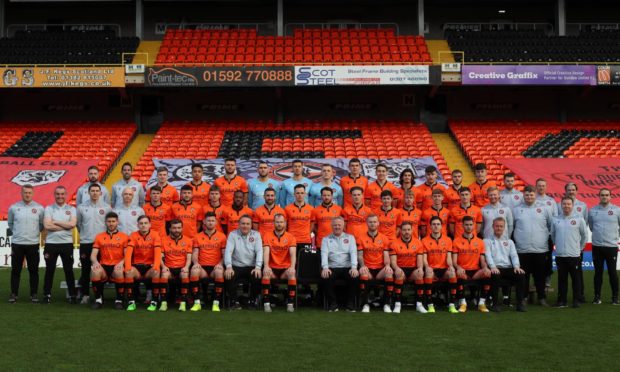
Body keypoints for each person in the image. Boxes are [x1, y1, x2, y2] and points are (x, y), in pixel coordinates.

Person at [513, 185, 553, 306]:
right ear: (523, 196)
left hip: (540, 249)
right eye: (527, 195)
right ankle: (523, 298)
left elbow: (550, 226)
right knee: (523, 276)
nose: (529, 197)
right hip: (522, 249)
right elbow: (512, 227)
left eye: (531, 195)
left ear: (535, 195)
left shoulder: (545, 209)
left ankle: (542, 298)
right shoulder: (516, 209)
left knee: (539, 276)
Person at [7, 184, 44, 304]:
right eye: (25, 192)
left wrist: (33, 234)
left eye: (29, 192)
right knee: (15, 270)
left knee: (33, 270)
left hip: (33, 244)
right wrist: (18, 234)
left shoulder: (39, 208)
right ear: (21, 193)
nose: (27, 194)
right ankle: (14, 294)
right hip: (17, 244)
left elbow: (41, 225)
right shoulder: (13, 207)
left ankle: (33, 294)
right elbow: (11, 224)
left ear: (32, 194)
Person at [76, 183, 111, 304]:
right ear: (88, 193)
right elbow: (78, 224)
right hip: (86, 242)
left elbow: (109, 225)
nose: (95, 193)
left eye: (97, 191)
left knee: (100, 269)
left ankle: (99, 295)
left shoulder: (107, 208)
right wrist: (85, 235)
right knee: (85, 270)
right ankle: (85, 295)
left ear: (101, 193)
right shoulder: (81, 207)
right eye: (93, 191)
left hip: (102, 244)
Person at [42, 186, 78, 304]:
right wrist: (65, 225)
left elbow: (72, 225)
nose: (60, 196)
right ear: (54, 195)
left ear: (66, 195)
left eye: (62, 194)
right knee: (49, 270)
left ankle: (72, 295)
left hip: (66, 244)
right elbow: (47, 226)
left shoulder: (71, 209)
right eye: (58, 194)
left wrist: (55, 222)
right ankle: (47, 295)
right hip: (51, 244)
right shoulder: (48, 208)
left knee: (68, 270)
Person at [484, 217, 527, 312]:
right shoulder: (487, 241)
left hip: (508, 268)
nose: (499, 228)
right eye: (497, 226)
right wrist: (492, 266)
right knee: (495, 275)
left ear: (504, 228)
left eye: (501, 226)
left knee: (521, 274)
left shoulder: (509, 242)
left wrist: (516, 266)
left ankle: (520, 303)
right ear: (493, 227)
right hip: (495, 268)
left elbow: (514, 255)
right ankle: (494, 304)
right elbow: (488, 255)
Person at [552, 197, 588, 308]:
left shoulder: (579, 219)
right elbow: (553, 235)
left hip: (574, 255)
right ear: (561, 205)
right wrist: (557, 246)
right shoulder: (556, 219)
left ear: (572, 206)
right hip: (560, 255)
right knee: (562, 279)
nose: (566, 206)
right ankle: (562, 301)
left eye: (568, 204)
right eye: (564, 204)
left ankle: (576, 300)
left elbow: (585, 236)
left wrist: (579, 248)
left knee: (576, 279)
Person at [90, 212, 130, 310]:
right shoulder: (99, 236)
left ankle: (119, 300)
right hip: (104, 266)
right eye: (109, 221)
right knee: (95, 271)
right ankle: (98, 299)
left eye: (113, 221)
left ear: (117, 222)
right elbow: (93, 255)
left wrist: (121, 263)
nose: (111, 223)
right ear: (105, 223)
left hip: (117, 265)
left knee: (119, 271)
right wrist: (95, 262)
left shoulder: (124, 236)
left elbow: (127, 255)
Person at [452, 216, 492, 313]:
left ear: (474, 225)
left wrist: (485, 267)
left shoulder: (480, 242)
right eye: (466, 225)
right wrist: (458, 267)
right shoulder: (456, 241)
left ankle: (482, 303)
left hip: (475, 271)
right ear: (462, 226)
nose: (469, 227)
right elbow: (454, 261)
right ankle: (463, 303)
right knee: (458, 273)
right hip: (463, 270)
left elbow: (482, 260)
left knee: (488, 273)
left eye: (470, 225)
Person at [189, 212, 227, 312]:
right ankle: (197, 303)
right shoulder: (197, 236)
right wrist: (196, 263)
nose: (210, 223)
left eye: (212, 221)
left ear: (216, 222)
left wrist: (220, 264)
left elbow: (224, 255)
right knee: (194, 271)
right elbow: (195, 252)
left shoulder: (222, 236)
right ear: (204, 222)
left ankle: (216, 303)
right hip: (202, 267)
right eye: (208, 221)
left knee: (219, 272)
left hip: (215, 267)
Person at [588, 188, 620, 305]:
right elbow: (591, 227)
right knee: (598, 272)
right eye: (602, 195)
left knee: (612, 273)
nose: (604, 197)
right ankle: (597, 297)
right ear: (599, 196)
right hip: (597, 246)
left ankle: (615, 297)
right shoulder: (592, 211)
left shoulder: (617, 210)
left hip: (611, 246)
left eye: (607, 195)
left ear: (610, 196)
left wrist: (614, 238)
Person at [419, 216, 457, 314]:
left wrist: (451, 266)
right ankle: (430, 304)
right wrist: (427, 267)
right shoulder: (424, 240)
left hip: (443, 269)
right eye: (434, 224)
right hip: (431, 269)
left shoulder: (448, 240)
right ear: (430, 226)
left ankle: (452, 304)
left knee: (452, 273)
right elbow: (424, 258)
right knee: (428, 273)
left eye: (438, 224)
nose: (436, 226)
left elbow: (448, 257)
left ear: (441, 226)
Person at [224, 215, 263, 310]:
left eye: (248, 224)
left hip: (251, 266)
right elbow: (228, 251)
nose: (245, 226)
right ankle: (234, 302)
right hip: (236, 265)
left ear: (251, 225)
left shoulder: (256, 235)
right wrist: (228, 266)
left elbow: (259, 251)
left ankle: (252, 301)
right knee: (229, 275)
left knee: (257, 275)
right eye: (243, 223)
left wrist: (258, 267)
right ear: (239, 224)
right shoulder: (232, 234)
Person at [558, 182, 589, 303]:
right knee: (563, 277)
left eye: (573, 190)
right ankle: (562, 299)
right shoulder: (558, 205)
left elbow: (584, 229)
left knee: (577, 275)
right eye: (569, 190)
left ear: (576, 191)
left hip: (575, 248)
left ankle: (579, 297)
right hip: (562, 250)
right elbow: (555, 233)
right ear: (565, 191)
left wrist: (579, 247)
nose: (571, 191)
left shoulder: (583, 206)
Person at [124, 215, 162, 311]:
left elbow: (158, 253)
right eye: (141, 223)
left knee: (156, 272)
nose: (143, 225)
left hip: (149, 267)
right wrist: (128, 267)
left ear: (150, 224)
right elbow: (128, 253)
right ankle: (131, 302)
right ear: (137, 225)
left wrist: (156, 266)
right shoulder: (133, 235)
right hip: (137, 267)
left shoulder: (155, 235)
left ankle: (154, 301)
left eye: (145, 223)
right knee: (129, 272)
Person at [321, 217, 359, 312]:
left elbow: (353, 253)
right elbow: (324, 254)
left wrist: (354, 267)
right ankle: (333, 303)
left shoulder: (350, 238)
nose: (337, 227)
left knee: (354, 276)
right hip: (332, 267)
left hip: (347, 267)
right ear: (331, 226)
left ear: (343, 226)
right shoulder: (325, 239)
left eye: (339, 225)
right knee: (326, 276)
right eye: (335, 225)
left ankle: (350, 304)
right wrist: (325, 268)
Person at [357, 215, 393, 313]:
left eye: (374, 222)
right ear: (367, 223)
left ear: (378, 223)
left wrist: (387, 266)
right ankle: (365, 304)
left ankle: (386, 304)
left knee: (389, 273)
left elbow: (386, 255)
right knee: (363, 273)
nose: (372, 224)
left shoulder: (384, 238)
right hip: (367, 268)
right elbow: (360, 255)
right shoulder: (361, 238)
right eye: (370, 222)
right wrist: (362, 265)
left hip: (379, 269)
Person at [261, 214, 297, 313]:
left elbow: (293, 254)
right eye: (277, 222)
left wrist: (292, 267)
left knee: (292, 274)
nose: (279, 224)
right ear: (274, 223)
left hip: (285, 269)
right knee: (265, 274)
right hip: (272, 268)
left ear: (285, 223)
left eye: (281, 222)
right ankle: (266, 303)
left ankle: (290, 303)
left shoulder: (291, 237)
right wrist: (266, 266)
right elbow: (266, 252)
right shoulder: (267, 235)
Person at [389, 221, 425, 314]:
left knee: (419, 274)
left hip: (413, 269)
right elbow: (393, 262)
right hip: (400, 268)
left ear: (412, 230)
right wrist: (396, 268)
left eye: (408, 229)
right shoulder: (394, 243)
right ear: (400, 231)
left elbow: (420, 260)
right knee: (399, 274)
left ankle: (419, 304)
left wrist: (420, 268)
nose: (406, 232)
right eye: (404, 230)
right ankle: (397, 304)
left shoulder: (418, 243)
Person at [159, 219, 193, 312]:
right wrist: (164, 267)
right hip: (169, 268)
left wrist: (186, 267)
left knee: (185, 274)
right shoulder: (163, 240)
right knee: (164, 274)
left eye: (179, 228)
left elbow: (189, 257)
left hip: (182, 267)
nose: (176, 230)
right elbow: (160, 256)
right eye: (174, 228)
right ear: (169, 229)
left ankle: (183, 303)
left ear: (182, 228)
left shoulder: (188, 240)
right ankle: (163, 303)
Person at [284, 184, 314, 252]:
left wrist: (307, 233)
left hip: (306, 240)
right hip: (292, 240)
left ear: (305, 194)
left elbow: (312, 223)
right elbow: (285, 225)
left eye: (302, 193)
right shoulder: (287, 208)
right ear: (294, 194)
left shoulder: (311, 209)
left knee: (305, 261)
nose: (300, 195)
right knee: (292, 261)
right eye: (297, 193)